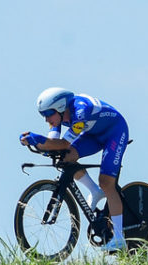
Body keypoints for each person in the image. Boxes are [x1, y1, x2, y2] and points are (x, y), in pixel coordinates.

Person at [19, 87, 130, 253]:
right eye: (43, 115)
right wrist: (34, 142)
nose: (47, 120)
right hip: (93, 134)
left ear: (61, 108)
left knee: (107, 183)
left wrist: (38, 140)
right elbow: (53, 144)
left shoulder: (80, 111)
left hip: (114, 132)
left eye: (49, 114)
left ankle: (119, 238)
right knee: (65, 158)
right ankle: (95, 191)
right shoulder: (60, 116)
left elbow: (63, 143)